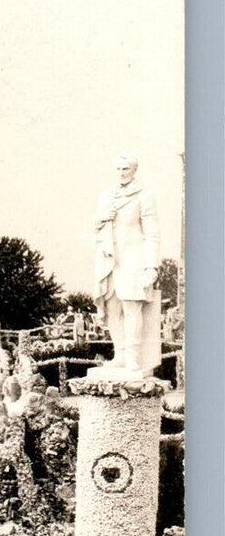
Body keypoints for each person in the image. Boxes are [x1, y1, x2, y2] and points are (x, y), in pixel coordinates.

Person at [92, 154, 160, 373]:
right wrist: (102, 217)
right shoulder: (106, 196)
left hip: (133, 258)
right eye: (118, 169)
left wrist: (151, 266)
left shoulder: (144, 195)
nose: (121, 173)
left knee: (131, 307)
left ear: (134, 170)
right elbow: (95, 228)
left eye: (126, 169)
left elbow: (152, 233)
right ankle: (120, 354)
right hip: (109, 259)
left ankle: (132, 357)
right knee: (111, 308)